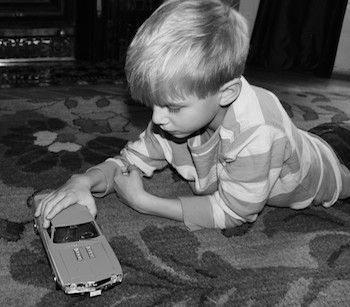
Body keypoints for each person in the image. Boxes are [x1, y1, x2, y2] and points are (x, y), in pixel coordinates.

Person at [35, 0, 350, 231]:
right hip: (314, 139)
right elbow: (130, 160)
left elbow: (232, 212)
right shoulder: (176, 115)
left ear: (225, 93)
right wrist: (83, 181)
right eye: (153, 104)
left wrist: (146, 203)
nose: (157, 119)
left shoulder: (257, 133)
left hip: (337, 165)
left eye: (171, 107)